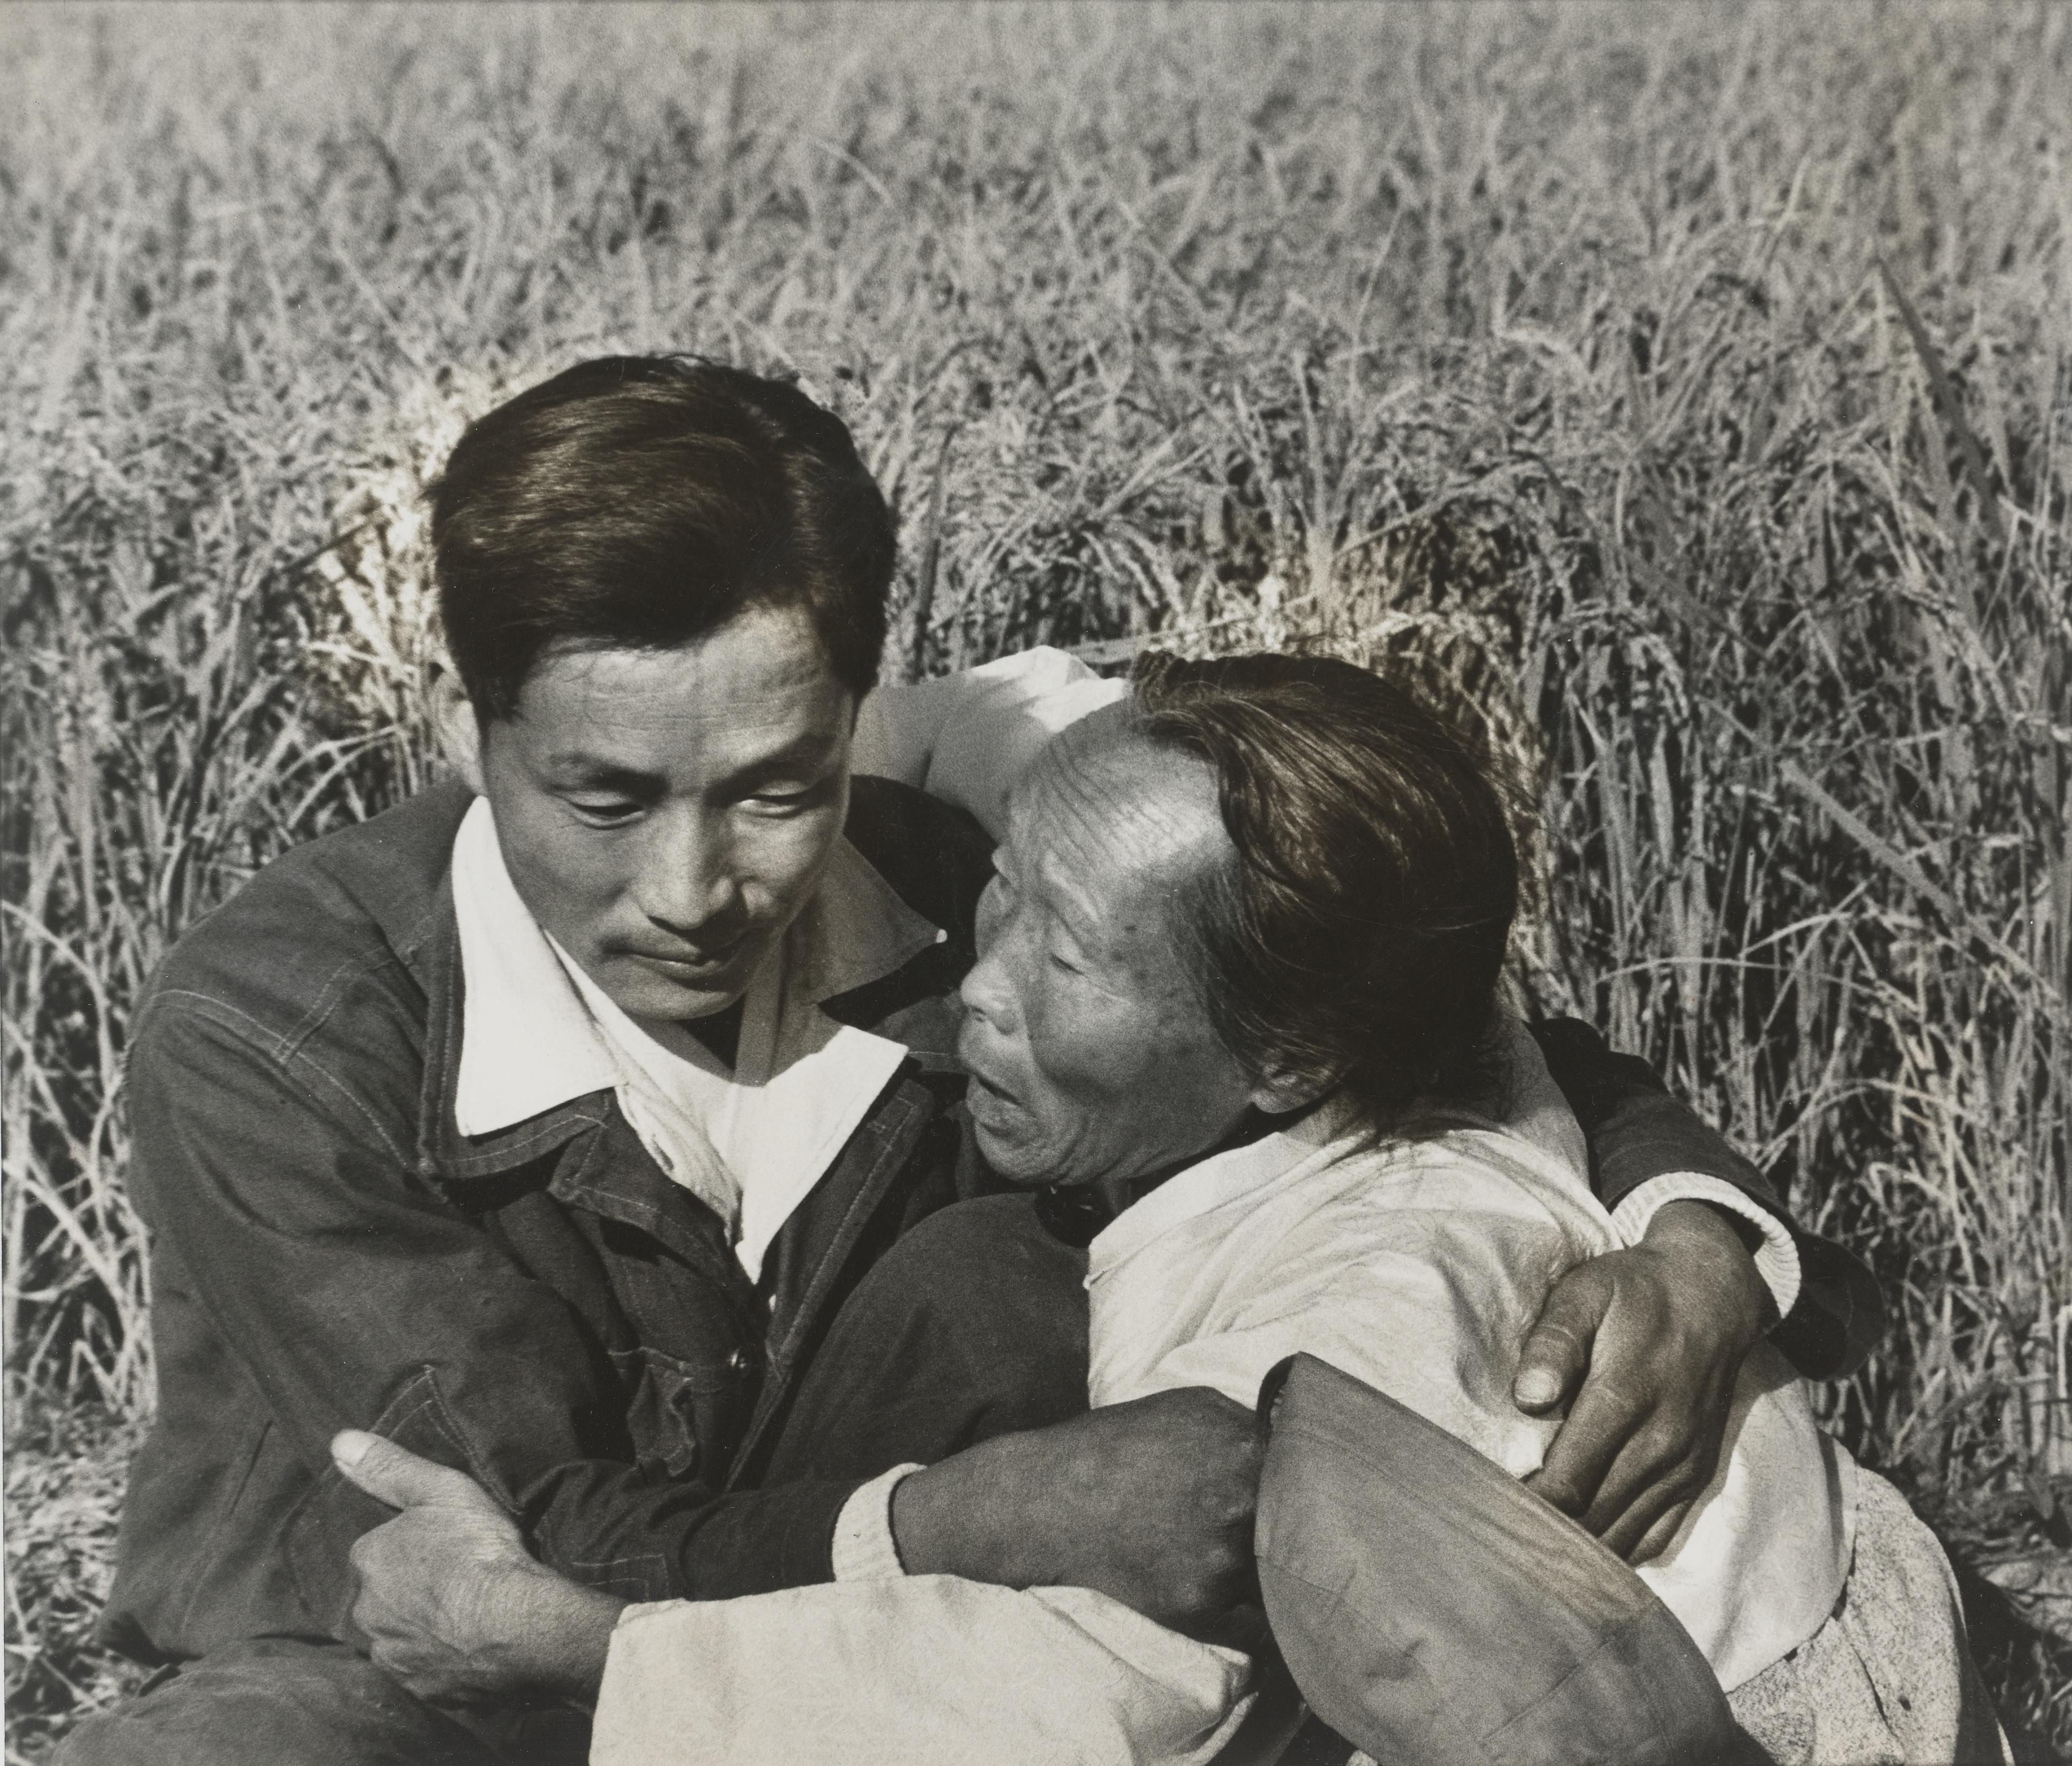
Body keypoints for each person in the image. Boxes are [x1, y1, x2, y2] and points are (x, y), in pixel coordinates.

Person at [67, 357, 1878, 1766]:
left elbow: (1402, 1000)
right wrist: (966, 1515)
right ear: (468, 726)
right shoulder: (279, 1032)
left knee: (998, 1278)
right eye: (602, 800)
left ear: (864, 705)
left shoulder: (976, 893)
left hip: (878, 1688)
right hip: (437, 1674)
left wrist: (1695, 1231)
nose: (697, 891)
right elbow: (528, 1539)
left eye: (778, 786)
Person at [337, 654, 2003, 1764]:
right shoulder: (1417, 1044)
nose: (971, 997)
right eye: (994, 911)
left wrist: (585, 1650)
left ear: (1282, 1055)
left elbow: (1067, 1708)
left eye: (1057, 958)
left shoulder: (1366, 1314)